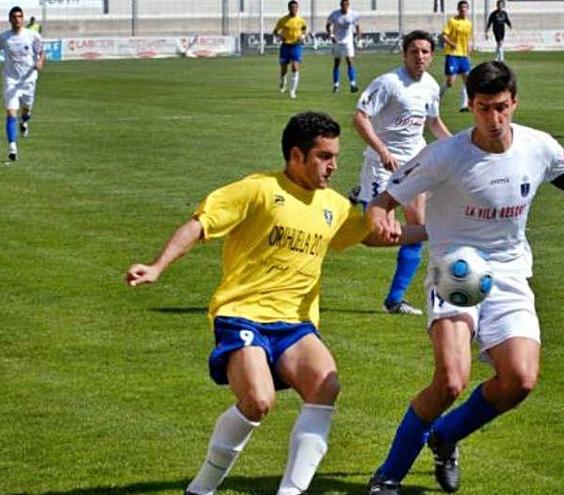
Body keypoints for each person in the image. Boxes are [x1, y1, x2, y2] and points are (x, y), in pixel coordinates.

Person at [364, 61, 564, 495]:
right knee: (450, 380)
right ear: (472, 105)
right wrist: (381, 218)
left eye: (502, 107)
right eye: (483, 108)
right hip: (455, 270)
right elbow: (382, 200)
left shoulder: (541, 148)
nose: (494, 119)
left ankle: (446, 436)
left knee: (520, 380)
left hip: (510, 272)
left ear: (515, 102)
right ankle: (388, 476)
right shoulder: (444, 156)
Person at [125, 112, 427, 495]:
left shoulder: (332, 205)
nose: (333, 165)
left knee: (326, 385)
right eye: (323, 156)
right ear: (296, 155)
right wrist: (157, 266)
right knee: (257, 401)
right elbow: (199, 225)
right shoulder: (258, 190)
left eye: (335, 155)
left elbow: (371, 235)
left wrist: (438, 230)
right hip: (242, 314)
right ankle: (201, 489)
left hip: (295, 325)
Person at [352, 30, 452, 315]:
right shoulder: (389, 83)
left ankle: (395, 300)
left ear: (432, 56)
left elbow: (433, 124)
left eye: (425, 52)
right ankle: (362, 197)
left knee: (417, 229)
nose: (420, 56)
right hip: (382, 166)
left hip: (416, 166)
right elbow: (360, 118)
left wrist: (460, 148)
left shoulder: (432, 86)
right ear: (404, 54)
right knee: (379, 233)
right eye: (414, 51)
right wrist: (383, 150)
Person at [0, 6, 44, 162]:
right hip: (11, 80)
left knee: (26, 111)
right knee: (11, 112)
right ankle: (12, 147)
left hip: (29, 79)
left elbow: (41, 52)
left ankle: (25, 122)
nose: (17, 19)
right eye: (14, 16)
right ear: (10, 19)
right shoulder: (3, 37)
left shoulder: (33, 35)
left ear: (23, 18)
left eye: (20, 16)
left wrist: (40, 61)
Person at [441, 0, 473, 112]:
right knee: (450, 82)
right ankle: (436, 99)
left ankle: (464, 105)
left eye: (465, 7)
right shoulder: (452, 21)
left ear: (467, 9)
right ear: (458, 9)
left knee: (468, 81)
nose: (463, 9)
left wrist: (469, 50)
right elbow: (444, 36)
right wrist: (451, 43)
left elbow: (468, 39)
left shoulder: (469, 23)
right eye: (461, 7)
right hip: (452, 54)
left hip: (463, 56)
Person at [273, 0, 307, 99]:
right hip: (285, 46)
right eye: (292, 7)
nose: (294, 9)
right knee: (284, 68)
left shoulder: (301, 20)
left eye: (295, 7)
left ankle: (292, 91)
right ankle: (283, 82)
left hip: (296, 46)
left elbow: (304, 29)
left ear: (298, 8)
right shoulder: (283, 20)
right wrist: (280, 36)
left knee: (295, 67)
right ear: (289, 8)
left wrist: (303, 36)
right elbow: (275, 31)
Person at [326, 0, 361, 93]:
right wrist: (331, 35)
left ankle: (353, 84)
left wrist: (358, 37)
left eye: (346, 4)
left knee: (350, 61)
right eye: (342, 4)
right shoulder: (334, 14)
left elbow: (357, 27)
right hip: (337, 41)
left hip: (348, 41)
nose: (344, 6)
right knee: (337, 63)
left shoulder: (353, 14)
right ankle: (336, 85)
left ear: (348, 5)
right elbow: (328, 25)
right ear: (340, 5)